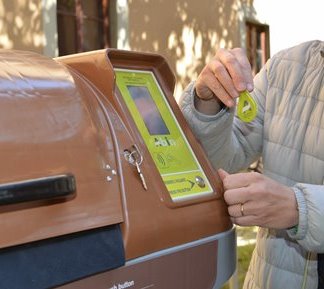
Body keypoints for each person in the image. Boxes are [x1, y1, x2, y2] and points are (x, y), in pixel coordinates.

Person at [179, 40, 324, 289]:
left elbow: (299, 209)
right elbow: (222, 160)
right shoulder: (285, 69)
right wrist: (208, 106)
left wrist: (301, 210)